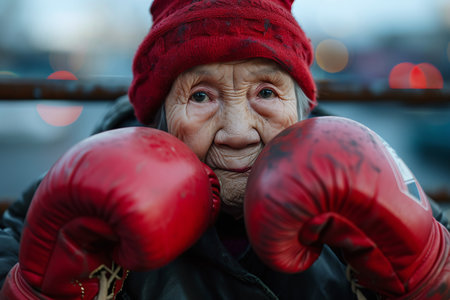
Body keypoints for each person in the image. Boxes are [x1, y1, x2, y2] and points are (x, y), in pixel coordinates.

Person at [0, 0, 449, 299]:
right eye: (201, 96)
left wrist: (430, 273)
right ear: (156, 116)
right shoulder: (78, 198)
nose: (238, 133)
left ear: (302, 109)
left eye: (266, 93)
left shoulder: (366, 173)